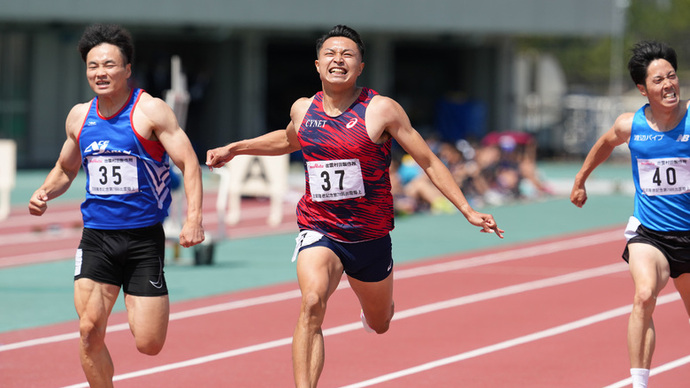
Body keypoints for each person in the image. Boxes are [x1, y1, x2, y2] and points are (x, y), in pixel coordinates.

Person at [206, 24, 503, 388]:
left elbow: (428, 160)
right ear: (318, 65)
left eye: (347, 55)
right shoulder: (304, 109)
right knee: (312, 302)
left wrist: (467, 209)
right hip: (319, 228)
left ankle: (375, 308)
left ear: (360, 66)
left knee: (380, 323)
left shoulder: (381, 110)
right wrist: (236, 148)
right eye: (331, 54)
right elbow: (286, 140)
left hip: (369, 236)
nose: (338, 60)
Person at [28, 24, 205, 387]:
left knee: (149, 344)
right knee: (89, 330)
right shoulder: (80, 117)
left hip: (143, 239)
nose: (100, 73)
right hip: (96, 238)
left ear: (127, 69)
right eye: (93, 66)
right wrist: (44, 191)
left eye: (109, 65)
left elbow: (188, 163)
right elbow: (66, 167)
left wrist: (193, 219)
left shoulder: (151, 111)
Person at [571, 40, 690, 388]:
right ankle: (639, 384)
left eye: (672, 76)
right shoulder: (630, 125)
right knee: (643, 295)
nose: (668, 84)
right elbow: (605, 143)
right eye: (658, 80)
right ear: (642, 89)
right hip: (650, 233)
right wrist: (580, 180)